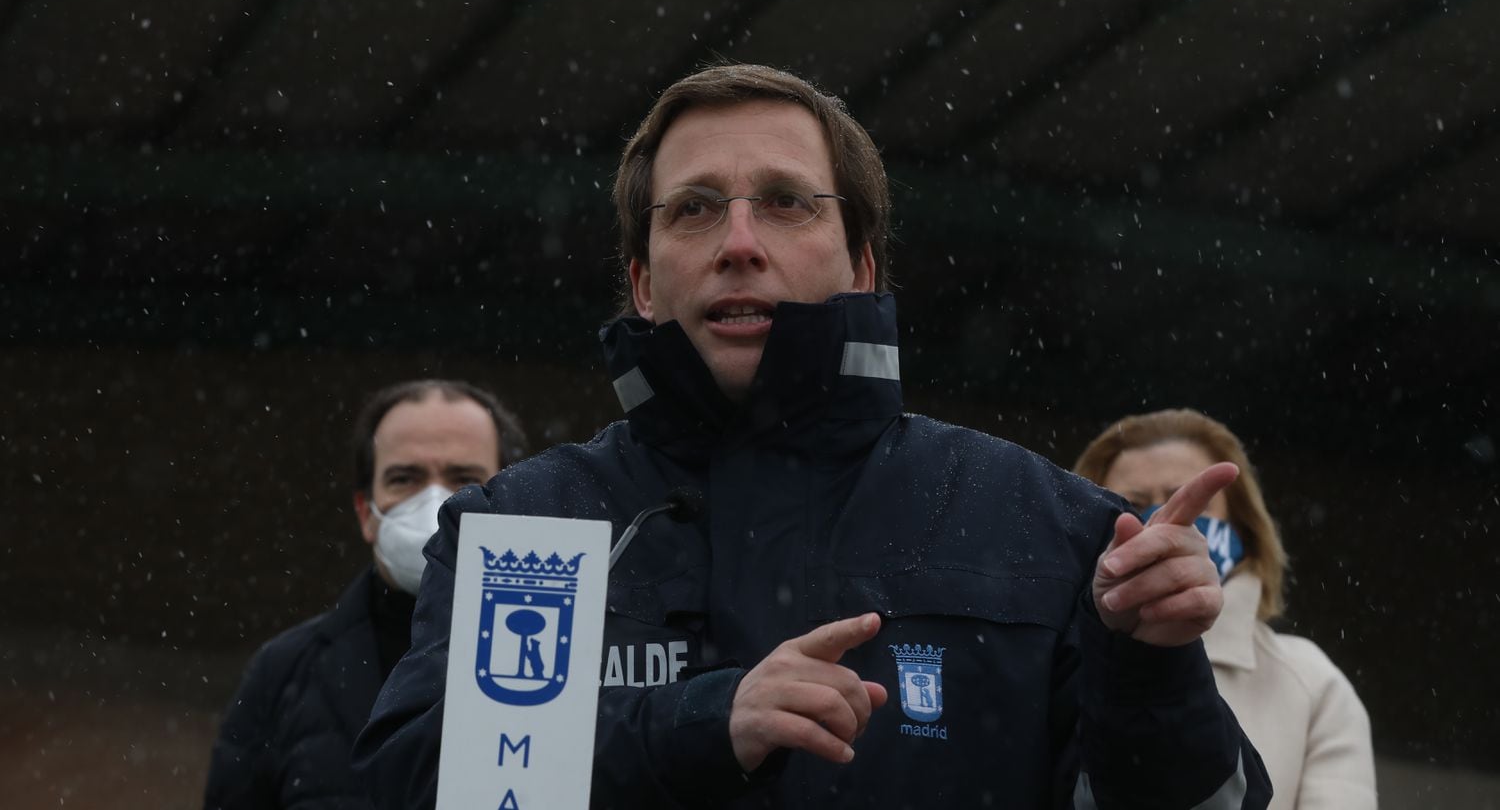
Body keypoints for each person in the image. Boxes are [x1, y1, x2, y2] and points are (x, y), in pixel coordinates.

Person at [355, 64, 1272, 808]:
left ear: (861, 263)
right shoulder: (523, 527)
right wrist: (702, 725)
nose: (741, 241)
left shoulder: (1054, 528)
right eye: (695, 207)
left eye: (788, 203)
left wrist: (1149, 670)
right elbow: (409, 789)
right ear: (642, 280)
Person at [204, 380, 529, 810]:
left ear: (513, 502)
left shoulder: (567, 669)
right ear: (365, 512)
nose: (435, 501)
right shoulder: (282, 676)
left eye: (464, 478)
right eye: (404, 478)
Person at [1073, 408, 1376, 810]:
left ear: (1243, 529)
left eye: (1190, 506)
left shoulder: (1311, 683)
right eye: (1133, 505)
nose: (1161, 524)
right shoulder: (1049, 658)